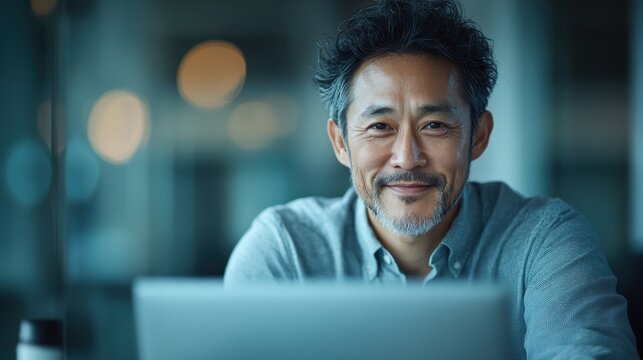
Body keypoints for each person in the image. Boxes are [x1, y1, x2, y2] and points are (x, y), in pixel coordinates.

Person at [224, 0, 639, 358]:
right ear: (339, 142)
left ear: (478, 135)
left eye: (436, 125)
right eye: (380, 127)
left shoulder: (544, 240)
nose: (407, 157)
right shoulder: (285, 249)